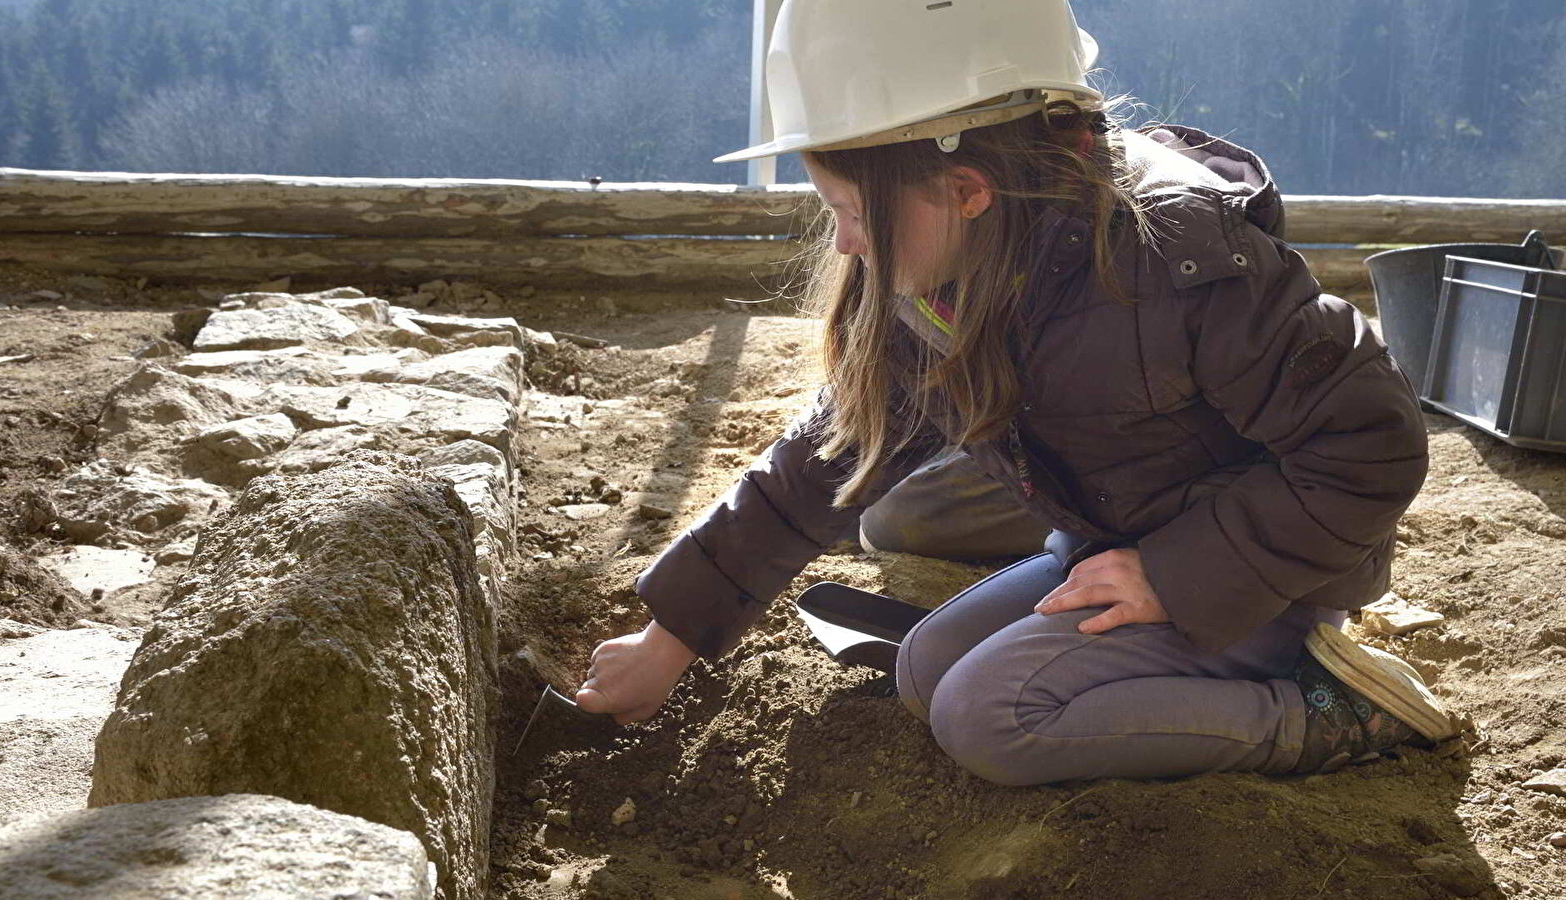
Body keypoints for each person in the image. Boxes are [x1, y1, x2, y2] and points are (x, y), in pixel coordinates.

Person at [574, 0, 1457, 785]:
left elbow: (1373, 442)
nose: (844, 244)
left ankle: (1330, 710)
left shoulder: (1181, 262)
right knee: (924, 671)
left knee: (988, 717)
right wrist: (670, 638)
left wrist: (1173, 574)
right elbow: (831, 452)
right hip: (1118, 538)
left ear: (964, 190)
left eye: (849, 211)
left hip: (1267, 570)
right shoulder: (948, 277)